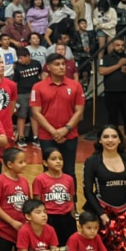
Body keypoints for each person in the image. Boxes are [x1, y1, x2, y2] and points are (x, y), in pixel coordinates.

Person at [82, 125, 126, 251]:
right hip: (101, 213)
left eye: (114, 137)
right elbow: (88, 191)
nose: (110, 140)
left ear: (120, 140)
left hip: (124, 212)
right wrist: (102, 215)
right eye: (106, 137)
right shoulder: (92, 161)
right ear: (100, 140)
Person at [29, 53, 85, 181]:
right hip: (47, 136)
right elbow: (36, 112)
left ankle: (72, 200)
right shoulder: (38, 87)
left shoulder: (76, 85)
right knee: (48, 170)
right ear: (48, 67)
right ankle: (47, 200)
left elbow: (79, 111)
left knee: (69, 170)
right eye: (57, 64)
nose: (61, 67)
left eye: (63, 64)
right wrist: (54, 132)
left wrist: (66, 129)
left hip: (69, 135)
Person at [15, 199, 92, 251]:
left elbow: (54, 249)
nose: (43, 215)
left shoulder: (50, 229)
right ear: (28, 216)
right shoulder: (24, 230)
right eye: (38, 212)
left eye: (45, 212)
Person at [0, 147, 31, 251]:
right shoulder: (0, 181)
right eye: (21, 162)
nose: (24, 165)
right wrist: (12, 222)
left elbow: (28, 204)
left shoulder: (24, 181)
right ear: (10, 164)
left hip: (21, 229)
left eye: (25, 162)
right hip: (4, 230)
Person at [33, 147, 78, 246]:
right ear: (45, 163)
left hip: (66, 218)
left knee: (69, 248)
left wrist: (73, 218)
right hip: (50, 218)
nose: (58, 162)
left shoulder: (69, 179)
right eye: (53, 159)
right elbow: (37, 204)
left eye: (60, 159)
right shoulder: (40, 179)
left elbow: (71, 201)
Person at [99, 38, 126, 144]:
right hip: (111, 92)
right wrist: (118, 65)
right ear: (112, 46)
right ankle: (114, 137)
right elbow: (102, 71)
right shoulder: (106, 58)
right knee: (112, 117)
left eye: (122, 45)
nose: (120, 47)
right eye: (117, 45)